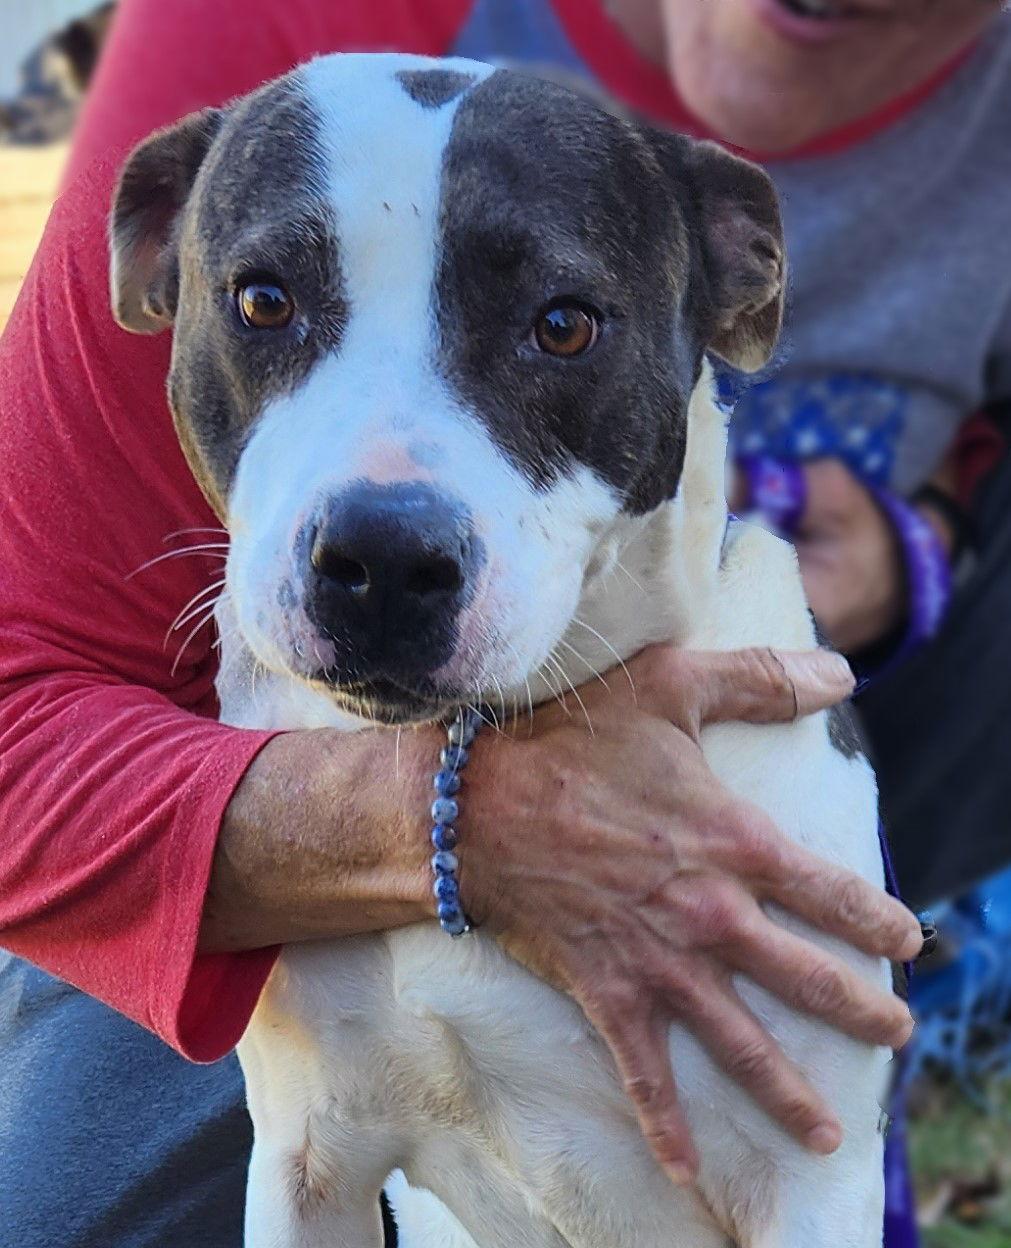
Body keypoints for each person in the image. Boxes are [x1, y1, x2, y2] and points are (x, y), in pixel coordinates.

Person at [0, 0, 1003, 1243]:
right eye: (266, 306)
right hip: (220, 795)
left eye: (557, 327)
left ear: (740, 288)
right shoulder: (256, 42)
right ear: (157, 254)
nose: (386, 498)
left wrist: (929, 536)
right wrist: (450, 818)